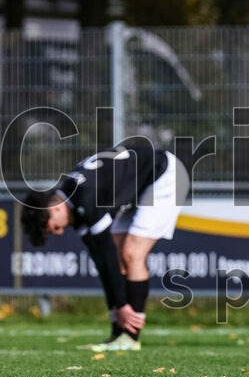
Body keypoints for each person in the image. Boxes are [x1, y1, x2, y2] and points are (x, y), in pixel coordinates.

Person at [20, 143, 189, 351]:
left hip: (164, 174)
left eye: (54, 227)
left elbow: (105, 251)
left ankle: (131, 336)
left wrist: (122, 305)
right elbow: (101, 260)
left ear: (54, 209)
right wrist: (116, 310)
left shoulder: (86, 196)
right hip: (140, 184)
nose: (60, 232)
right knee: (116, 257)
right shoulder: (73, 198)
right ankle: (118, 333)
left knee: (131, 253)